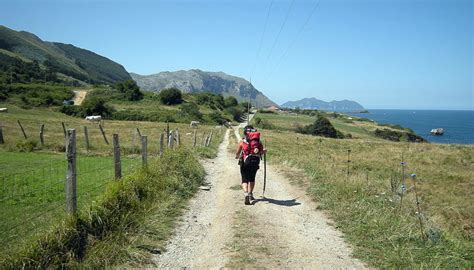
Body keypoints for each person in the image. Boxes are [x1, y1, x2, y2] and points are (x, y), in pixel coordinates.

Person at [235, 125, 266, 205]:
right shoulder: (258, 142)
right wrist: (264, 151)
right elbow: (261, 151)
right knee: (252, 178)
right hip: (255, 162)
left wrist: (237, 156)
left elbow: (237, 153)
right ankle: (250, 194)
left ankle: (245, 193)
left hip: (245, 162)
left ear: (245, 133)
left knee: (244, 179)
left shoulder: (243, 141)